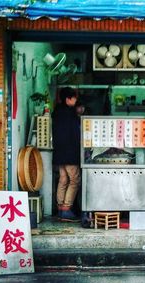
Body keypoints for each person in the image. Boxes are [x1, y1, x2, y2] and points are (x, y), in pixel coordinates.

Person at [53, 87, 81, 222]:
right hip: (70, 152)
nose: (75, 100)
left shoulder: (57, 111)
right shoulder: (70, 113)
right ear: (68, 99)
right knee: (75, 180)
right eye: (74, 98)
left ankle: (60, 209)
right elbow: (76, 133)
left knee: (63, 179)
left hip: (59, 152)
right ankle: (67, 208)